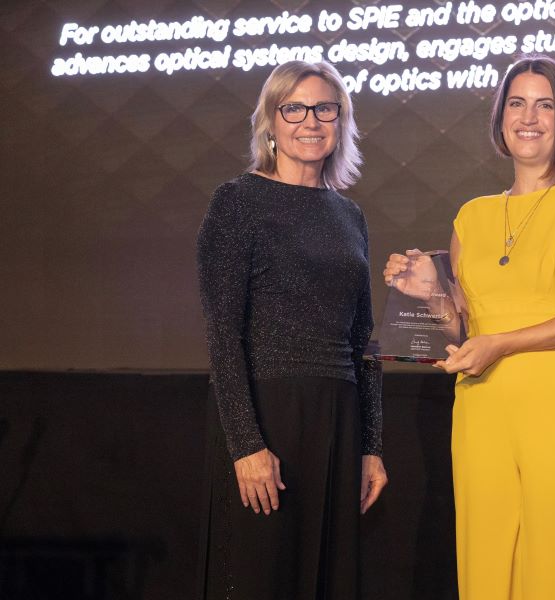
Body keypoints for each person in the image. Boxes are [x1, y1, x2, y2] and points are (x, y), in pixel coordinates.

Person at [384, 55, 555, 599]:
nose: (529, 116)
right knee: (490, 565)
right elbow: (463, 332)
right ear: (500, 120)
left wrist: (504, 343)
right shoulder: (471, 217)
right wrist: (431, 296)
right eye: (516, 103)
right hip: (484, 412)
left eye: (546, 105)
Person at [196, 60, 387, 600]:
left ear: (341, 120)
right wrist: (247, 446)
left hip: (338, 420)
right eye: (294, 108)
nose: (311, 121)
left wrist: (370, 447)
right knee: (261, 578)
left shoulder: (350, 216)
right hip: (266, 418)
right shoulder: (237, 202)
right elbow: (222, 335)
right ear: (271, 122)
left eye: (325, 108)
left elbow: (364, 341)